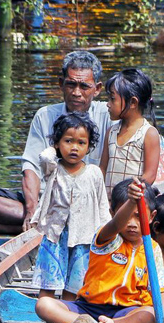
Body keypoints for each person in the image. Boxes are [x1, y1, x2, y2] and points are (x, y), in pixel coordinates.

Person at [0, 50, 112, 234]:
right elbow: (31, 168)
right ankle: (36, 224)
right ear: (61, 84)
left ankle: (7, 228)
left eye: (84, 86)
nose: (77, 93)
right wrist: (31, 211)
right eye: (71, 85)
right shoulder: (45, 115)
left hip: (87, 205)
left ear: (97, 89)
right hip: (45, 202)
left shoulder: (108, 115)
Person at [34, 179, 164, 323]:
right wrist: (131, 201)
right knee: (43, 305)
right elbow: (116, 224)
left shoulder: (152, 249)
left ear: (151, 217)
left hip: (124, 313)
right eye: (126, 216)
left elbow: (160, 292)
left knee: (151, 315)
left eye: (138, 216)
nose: (131, 223)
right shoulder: (107, 238)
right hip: (87, 308)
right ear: (112, 212)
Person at [30, 112, 110, 302]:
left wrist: (105, 234)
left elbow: (102, 206)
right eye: (68, 141)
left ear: (89, 146)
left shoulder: (94, 173)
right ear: (57, 143)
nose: (74, 148)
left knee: (74, 286)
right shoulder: (54, 168)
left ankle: (65, 316)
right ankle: (47, 312)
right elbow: (44, 157)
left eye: (81, 143)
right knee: (48, 283)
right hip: (56, 236)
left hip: (84, 237)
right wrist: (55, 146)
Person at [100, 69, 162, 198]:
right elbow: (103, 169)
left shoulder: (148, 133)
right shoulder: (111, 131)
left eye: (112, 99)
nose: (108, 104)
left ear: (133, 102)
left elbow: (149, 175)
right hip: (108, 203)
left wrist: (129, 195)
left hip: (132, 203)